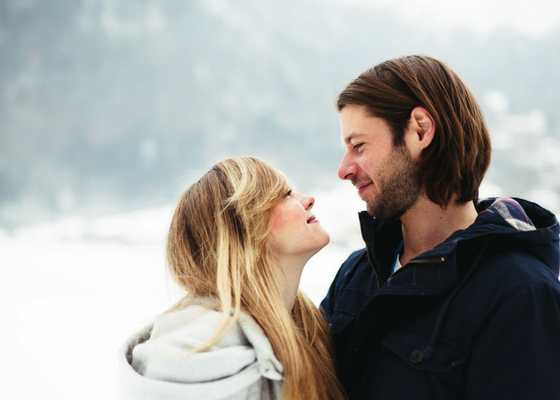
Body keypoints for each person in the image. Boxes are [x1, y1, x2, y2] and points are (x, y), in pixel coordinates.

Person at [320, 55, 560, 399]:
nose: (344, 170)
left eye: (358, 146)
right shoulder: (356, 274)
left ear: (420, 130)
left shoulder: (521, 295)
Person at [119, 157, 345, 400]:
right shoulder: (197, 354)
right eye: (286, 194)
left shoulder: (308, 327)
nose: (308, 199)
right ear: (245, 228)